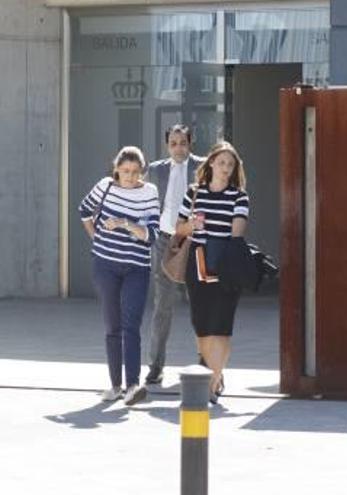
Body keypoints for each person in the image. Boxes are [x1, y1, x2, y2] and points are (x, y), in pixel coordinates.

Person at [78, 146, 160, 406]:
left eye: (136, 172)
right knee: (112, 326)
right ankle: (115, 386)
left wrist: (125, 223)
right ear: (116, 170)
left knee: (131, 326)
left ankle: (133, 386)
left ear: (142, 172)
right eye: (125, 171)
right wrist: (96, 239)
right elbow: (83, 211)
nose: (130, 176)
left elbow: (152, 235)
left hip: (137, 267)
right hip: (105, 266)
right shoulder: (105, 186)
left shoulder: (149, 193)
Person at [177, 141, 249, 404]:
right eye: (221, 163)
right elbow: (178, 228)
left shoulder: (239, 196)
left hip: (227, 266)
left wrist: (222, 236)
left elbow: (237, 231)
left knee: (222, 327)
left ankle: (213, 380)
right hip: (196, 265)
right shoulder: (194, 193)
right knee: (203, 327)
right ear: (211, 163)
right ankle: (213, 377)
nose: (226, 168)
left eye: (230, 164)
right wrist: (191, 226)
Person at [143, 125, 202, 386]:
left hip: (192, 241)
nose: (178, 148)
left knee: (200, 304)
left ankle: (205, 362)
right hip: (164, 240)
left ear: (190, 143)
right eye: (173, 143)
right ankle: (155, 366)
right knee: (162, 306)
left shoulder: (202, 167)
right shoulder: (156, 170)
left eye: (183, 143)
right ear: (167, 145)